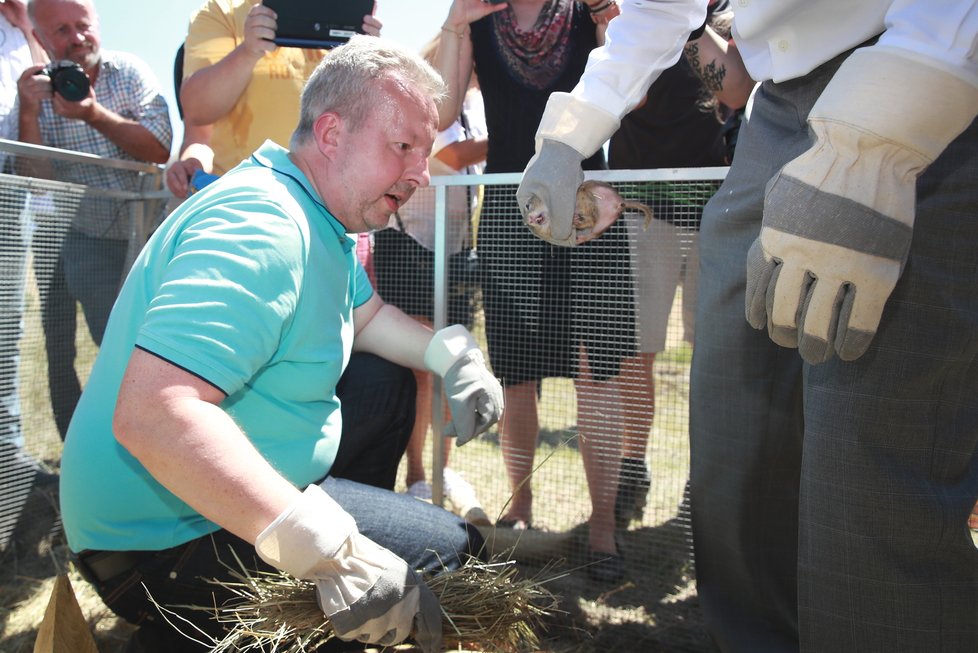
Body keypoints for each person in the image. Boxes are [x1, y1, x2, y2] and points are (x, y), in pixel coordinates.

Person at [518, 1, 978, 650]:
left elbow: (722, 81)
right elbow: (662, 17)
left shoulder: (707, 50)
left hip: (915, 69)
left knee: (865, 483)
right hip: (761, 129)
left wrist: (886, 129)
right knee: (734, 457)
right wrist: (572, 130)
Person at [59, 35, 504, 653]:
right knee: (455, 555)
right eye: (403, 146)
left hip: (185, 506)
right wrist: (330, 552)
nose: (420, 172)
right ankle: (189, 627)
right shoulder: (263, 227)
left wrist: (449, 353)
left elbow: (367, 317)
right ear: (330, 134)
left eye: (422, 153)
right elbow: (154, 414)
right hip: (154, 540)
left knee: (382, 382)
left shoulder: (315, 210)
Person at [434, 0, 636, 584]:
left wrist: (608, 24)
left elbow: (632, 98)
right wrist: (453, 23)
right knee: (517, 374)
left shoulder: (590, 10)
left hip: (589, 207)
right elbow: (444, 109)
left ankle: (602, 531)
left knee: (598, 370)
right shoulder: (474, 19)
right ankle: (520, 511)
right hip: (508, 213)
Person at [608, 0, 751, 527]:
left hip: (720, 211)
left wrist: (693, 23)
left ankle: (703, 481)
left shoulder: (737, 20)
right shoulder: (636, 14)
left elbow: (734, 93)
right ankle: (632, 465)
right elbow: (628, 93)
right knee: (637, 350)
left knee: (711, 356)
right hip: (644, 209)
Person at [16, 0, 172, 440]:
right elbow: (38, 183)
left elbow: (159, 147)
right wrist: (29, 113)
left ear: (97, 25)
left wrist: (91, 113)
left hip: (146, 235)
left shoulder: (129, 72)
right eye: (61, 30)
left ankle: (153, 438)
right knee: (91, 347)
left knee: (147, 343)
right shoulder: (34, 94)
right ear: (42, 41)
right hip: (80, 236)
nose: (76, 37)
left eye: (82, 25)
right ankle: (93, 446)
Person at [373, 75, 488, 517]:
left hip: (457, 250)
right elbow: (443, 160)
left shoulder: (475, 103)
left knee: (451, 364)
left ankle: (442, 470)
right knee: (421, 370)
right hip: (411, 244)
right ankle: (417, 476)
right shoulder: (428, 95)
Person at [0, 0, 53, 552]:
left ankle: (12, 474)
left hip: (10, 204)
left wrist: (26, 27)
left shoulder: (22, 30)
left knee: (6, 340)